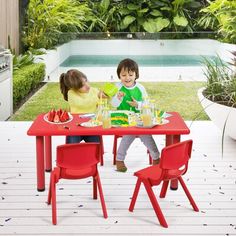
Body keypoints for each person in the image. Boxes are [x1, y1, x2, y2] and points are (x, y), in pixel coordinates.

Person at [111, 58, 160, 172]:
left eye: (130, 74)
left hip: (139, 120)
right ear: (119, 75)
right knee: (130, 132)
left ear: (136, 75)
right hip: (123, 120)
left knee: (145, 134)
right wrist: (118, 98)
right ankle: (120, 160)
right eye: (123, 75)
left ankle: (156, 158)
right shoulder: (117, 87)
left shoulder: (140, 88)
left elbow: (146, 104)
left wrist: (137, 104)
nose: (127, 78)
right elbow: (113, 104)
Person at [60, 69, 106, 143]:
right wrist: (97, 96)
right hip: (75, 127)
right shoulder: (71, 93)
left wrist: (109, 96)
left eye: (86, 81)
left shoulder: (94, 91)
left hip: (91, 125)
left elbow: (102, 104)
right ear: (74, 88)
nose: (87, 86)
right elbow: (82, 103)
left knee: (96, 146)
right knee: (72, 147)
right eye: (82, 86)